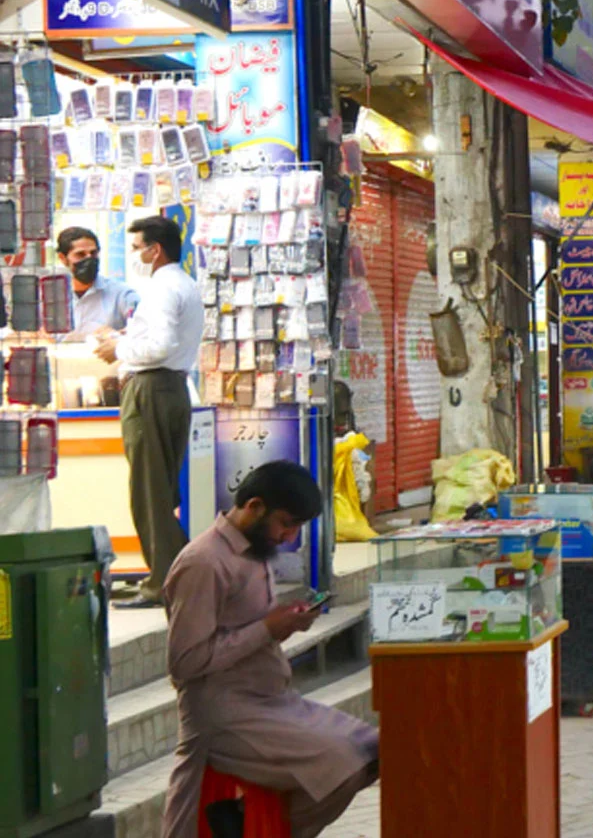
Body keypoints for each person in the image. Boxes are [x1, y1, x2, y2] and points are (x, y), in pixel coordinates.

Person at [161, 461, 378, 838]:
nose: (288, 536)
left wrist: (284, 625)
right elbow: (185, 662)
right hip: (225, 713)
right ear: (255, 505)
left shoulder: (253, 552)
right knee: (340, 761)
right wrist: (265, 629)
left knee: (371, 750)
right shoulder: (204, 562)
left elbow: (245, 632)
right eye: (285, 523)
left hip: (272, 699)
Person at [95, 216, 204, 608]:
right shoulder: (184, 284)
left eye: (140, 247)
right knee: (162, 489)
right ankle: (181, 573)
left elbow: (160, 345)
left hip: (151, 389)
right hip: (172, 388)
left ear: (154, 250)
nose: (138, 254)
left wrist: (119, 350)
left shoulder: (161, 288)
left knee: (150, 492)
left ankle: (163, 582)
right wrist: (125, 338)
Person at [56, 226, 137, 334]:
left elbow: (143, 329)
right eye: (80, 254)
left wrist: (116, 336)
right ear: (63, 258)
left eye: (93, 253)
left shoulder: (122, 294)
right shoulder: (51, 296)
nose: (89, 259)